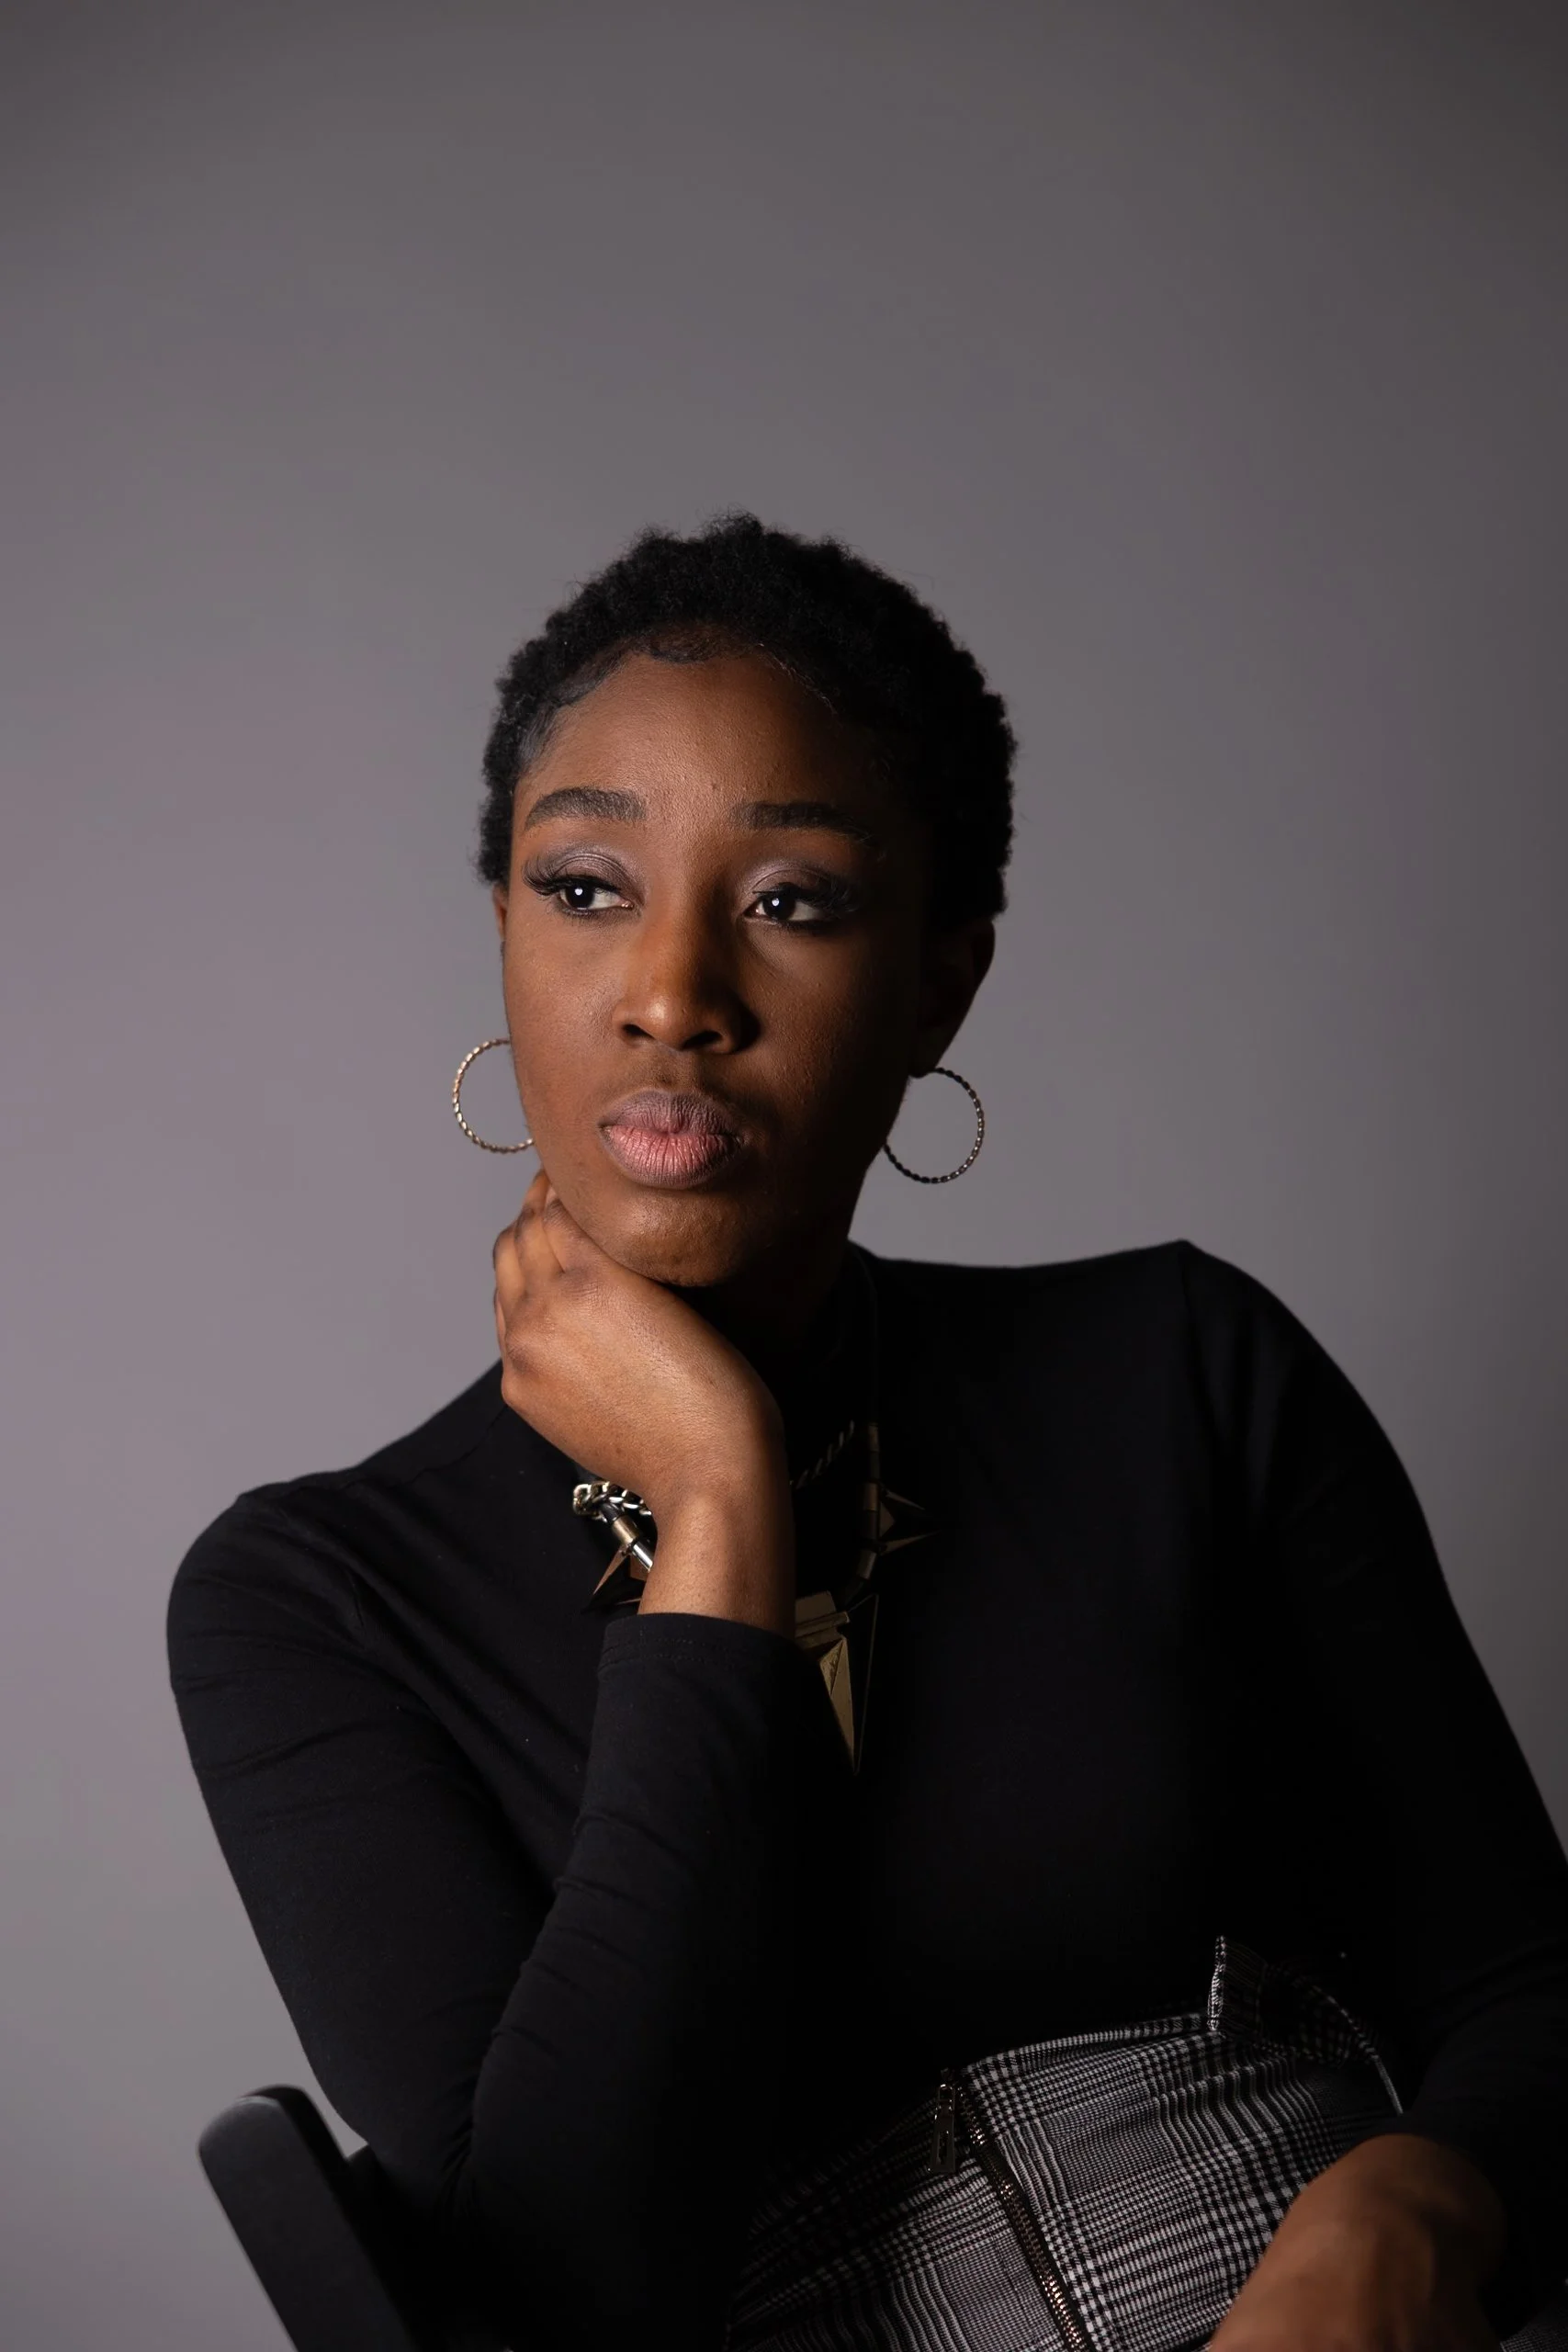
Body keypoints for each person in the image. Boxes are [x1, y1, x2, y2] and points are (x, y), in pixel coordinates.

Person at [168, 514, 1568, 2352]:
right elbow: (578, 2293)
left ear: (938, 982)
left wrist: (1409, 2205)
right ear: (502, 926)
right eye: (586, 885)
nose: (672, 991)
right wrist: (716, 1505)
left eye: (791, 900)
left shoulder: (1176, 1368)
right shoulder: (311, 1599)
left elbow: (1524, 1986)